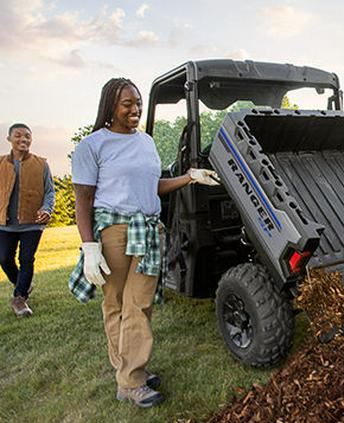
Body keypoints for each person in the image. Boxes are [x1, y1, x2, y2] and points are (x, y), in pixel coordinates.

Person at [69, 78, 219, 408]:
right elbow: (83, 199)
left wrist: (190, 176)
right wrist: (89, 246)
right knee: (116, 305)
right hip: (114, 233)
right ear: (110, 106)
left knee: (139, 304)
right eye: (127, 104)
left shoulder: (146, 143)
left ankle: (131, 376)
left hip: (148, 231)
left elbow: (154, 186)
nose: (135, 109)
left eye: (137, 102)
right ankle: (129, 376)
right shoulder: (93, 146)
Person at [0, 123, 55, 318]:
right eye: (18, 136)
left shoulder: (41, 164)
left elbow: (50, 192)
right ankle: (23, 283)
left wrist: (46, 209)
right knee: (4, 258)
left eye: (27, 136)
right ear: (9, 139)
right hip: (5, 223)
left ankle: (20, 298)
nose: (23, 139)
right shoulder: (0, 163)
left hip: (32, 222)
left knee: (26, 259)